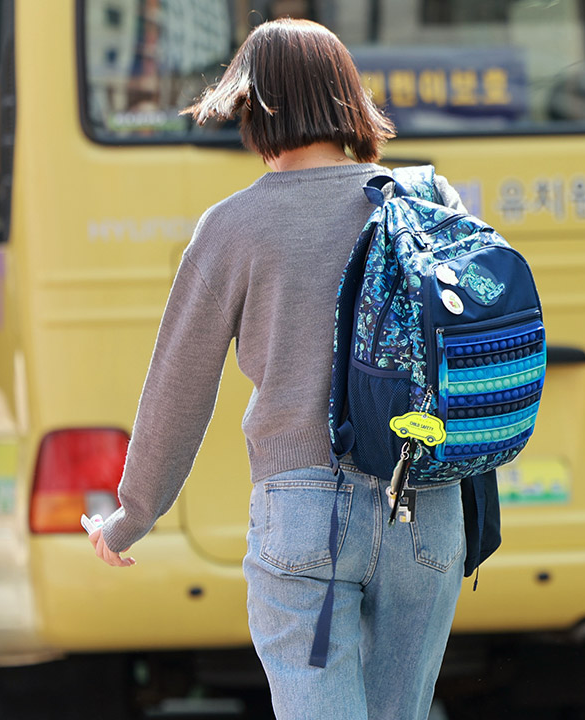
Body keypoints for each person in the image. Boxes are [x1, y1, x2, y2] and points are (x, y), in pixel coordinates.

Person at [88, 19, 468, 720]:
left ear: (257, 111)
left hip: (304, 513)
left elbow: (179, 388)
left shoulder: (233, 226)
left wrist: (132, 515)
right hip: (426, 505)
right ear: (349, 98)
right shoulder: (426, 204)